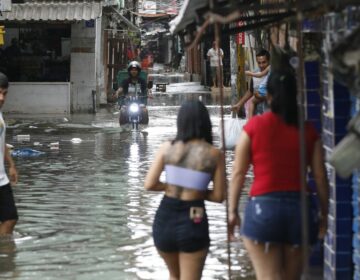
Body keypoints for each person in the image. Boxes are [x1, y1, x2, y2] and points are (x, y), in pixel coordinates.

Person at [228, 70, 329, 280]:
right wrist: (323, 215)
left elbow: (238, 173)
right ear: (295, 95)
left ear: (269, 96)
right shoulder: (308, 130)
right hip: (300, 212)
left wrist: (232, 211)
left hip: (262, 211)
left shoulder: (253, 127)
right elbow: (320, 177)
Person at [144, 100, 226, 280]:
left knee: (174, 276)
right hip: (193, 217)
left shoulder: (168, 147)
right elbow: (219, 196)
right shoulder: (214, 154)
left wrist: (174, 185)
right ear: (205, 122)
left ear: (180, 121)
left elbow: (149, 184)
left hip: (165, 218)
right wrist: (194, 188)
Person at [0, 72, 19, 236]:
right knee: (9, 218)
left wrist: (11, 165)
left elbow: (2, 142)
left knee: (10, 218)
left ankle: (5, 255)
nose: (1, 98)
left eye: (4, 93)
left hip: (2, 178)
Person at [232, 49, 271, 118]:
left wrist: (262, 97)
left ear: (269, 61)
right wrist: (239, 104)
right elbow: (250, 91)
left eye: (264, 62)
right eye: (259, 63)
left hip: (270, 113)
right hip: (257, 113)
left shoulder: (274, 74)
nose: (261, 65)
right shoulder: (255, 73)